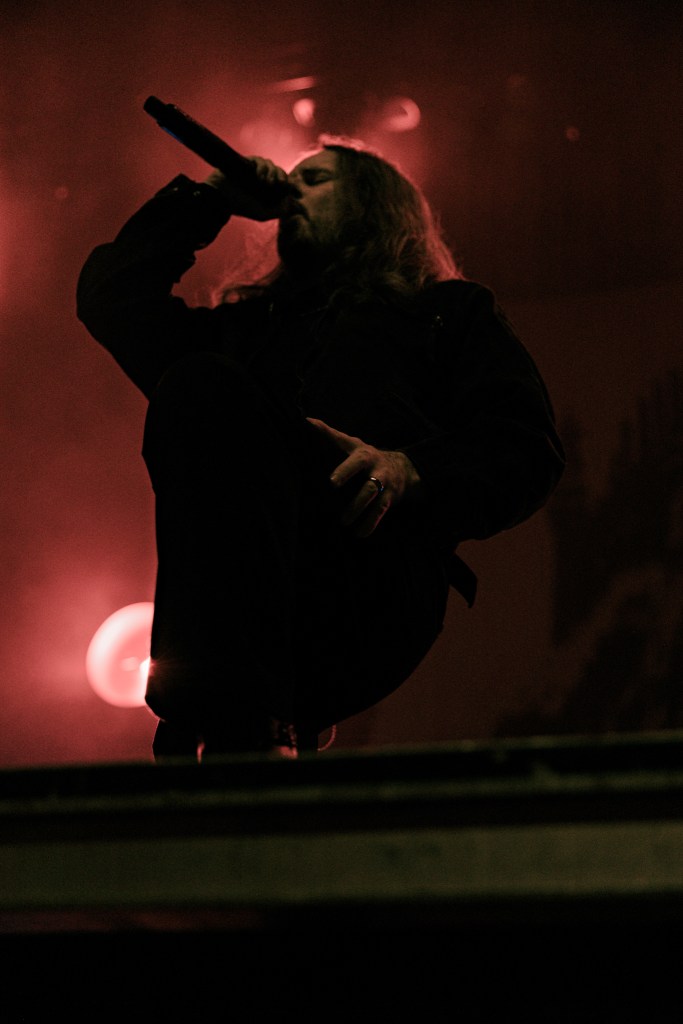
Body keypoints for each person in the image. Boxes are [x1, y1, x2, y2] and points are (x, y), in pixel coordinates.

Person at [76, 136, 565, 762]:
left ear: (372, 203)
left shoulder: (445, 312)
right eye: (294, 179)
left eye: (318, 180)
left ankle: (233, 724)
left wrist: (409, 469)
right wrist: (210, 199)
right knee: (198, 381)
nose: (293, 190)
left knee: (208, 381)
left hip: (366, 568)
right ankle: (231, 728)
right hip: (247, 594)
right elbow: (114, 299)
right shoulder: (244, 330)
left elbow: (527, 444)